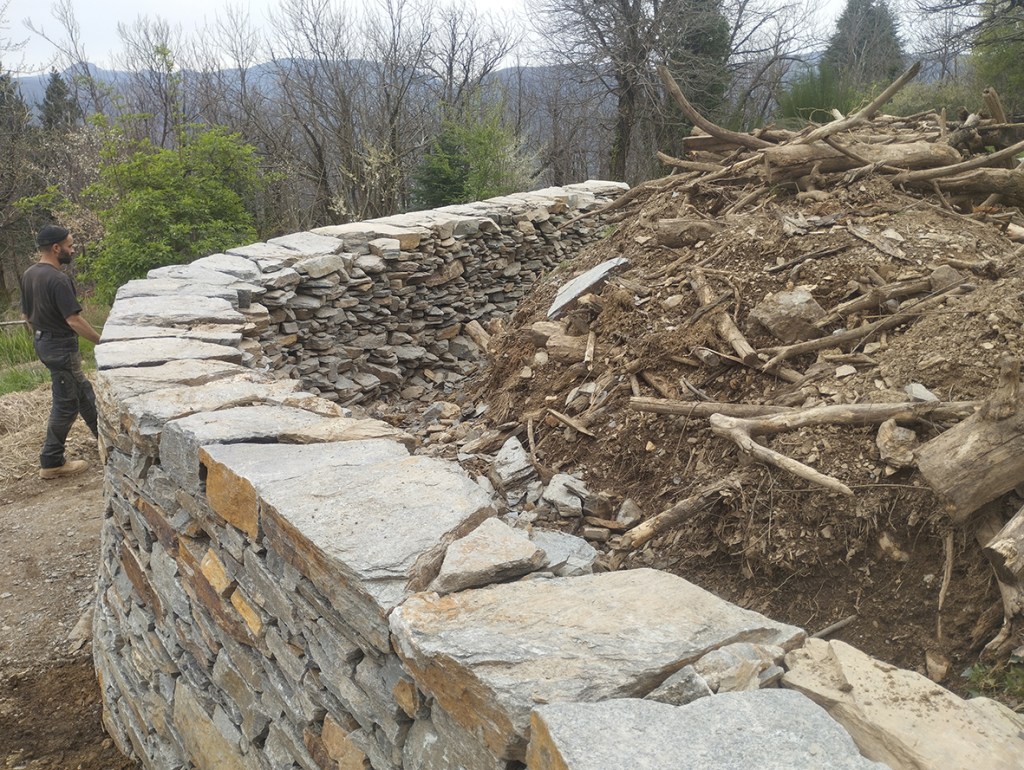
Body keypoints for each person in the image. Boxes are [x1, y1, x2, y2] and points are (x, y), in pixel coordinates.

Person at [20, 224, 102, 480]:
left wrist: (43, 337)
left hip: (43, 342)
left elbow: (26, 317)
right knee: (66, 405)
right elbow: (73, 320)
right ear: (56, 248)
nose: (73, 250)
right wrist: (102, 341)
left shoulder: (30, 274)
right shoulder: (57, 279)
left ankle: (106, 442)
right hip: (61, 347)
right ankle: (52, 461)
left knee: (83, 392)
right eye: (70, 245)